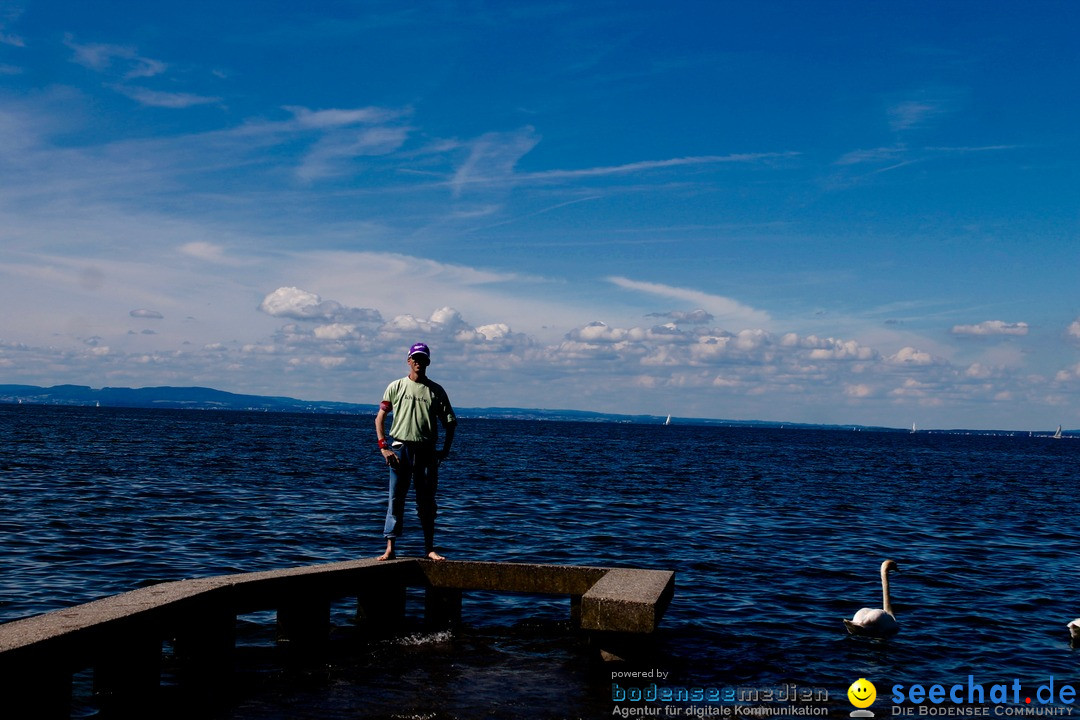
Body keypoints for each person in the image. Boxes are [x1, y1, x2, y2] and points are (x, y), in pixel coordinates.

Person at [374, 342, 457, 562]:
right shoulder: (396, 386)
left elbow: (450, 422)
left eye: (423, 359)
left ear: (428, 362)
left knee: (427, 501)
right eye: (415, 358)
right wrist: (384, 447)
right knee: (396, 499)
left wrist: (444, 451)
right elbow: (380, 418)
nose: (419, 362)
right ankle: (390, 547)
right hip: (400, 449)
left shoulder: (436, 391)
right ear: (409, 360)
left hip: (427, 450)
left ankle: (429, 548)